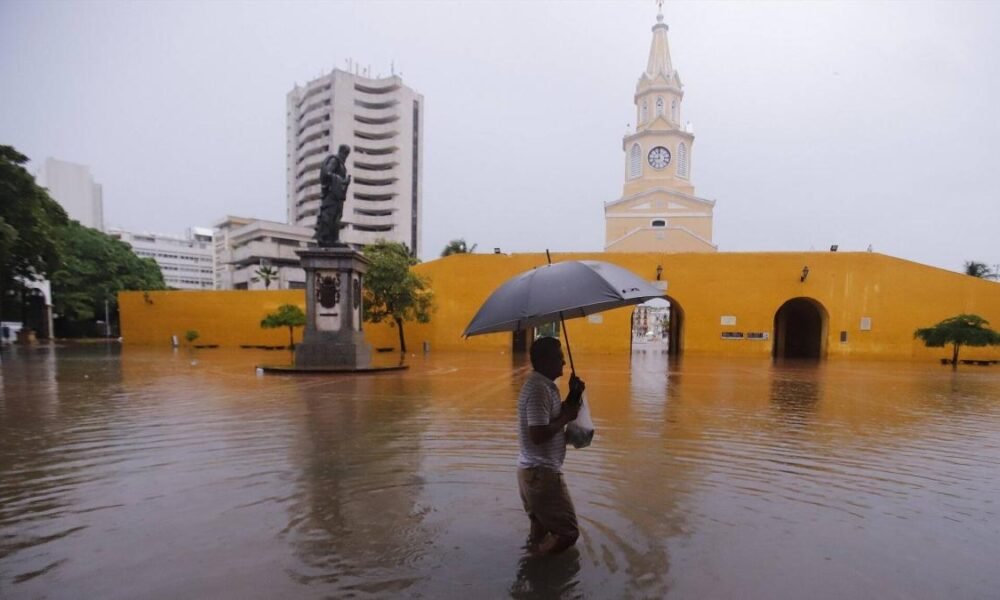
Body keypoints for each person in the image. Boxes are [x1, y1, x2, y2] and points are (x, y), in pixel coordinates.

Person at [517, 336, 586, 555]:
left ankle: (533, 575)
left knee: (541, 531)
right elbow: (537, 434)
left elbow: (551, 418)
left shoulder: (545, 387)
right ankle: (538, 567)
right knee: (568, 533)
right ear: (546, 360)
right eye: (559, 357)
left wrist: (573, 395)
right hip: (542, 474)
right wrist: (566, 418)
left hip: (534, 473)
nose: (564, 362)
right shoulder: (539, 390)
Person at [316, 144, 352, 247]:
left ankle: (334, 239)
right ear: (341, 152)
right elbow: (327, 173)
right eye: (345, 153)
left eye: (347, 154)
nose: (346, 156)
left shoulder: (341, 164)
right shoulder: (335, 161)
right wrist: (342, 181)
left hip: (338, 195)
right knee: (329, 216)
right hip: (332, 194)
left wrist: (345, 183)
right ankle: (325, 238)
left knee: (337, 217)